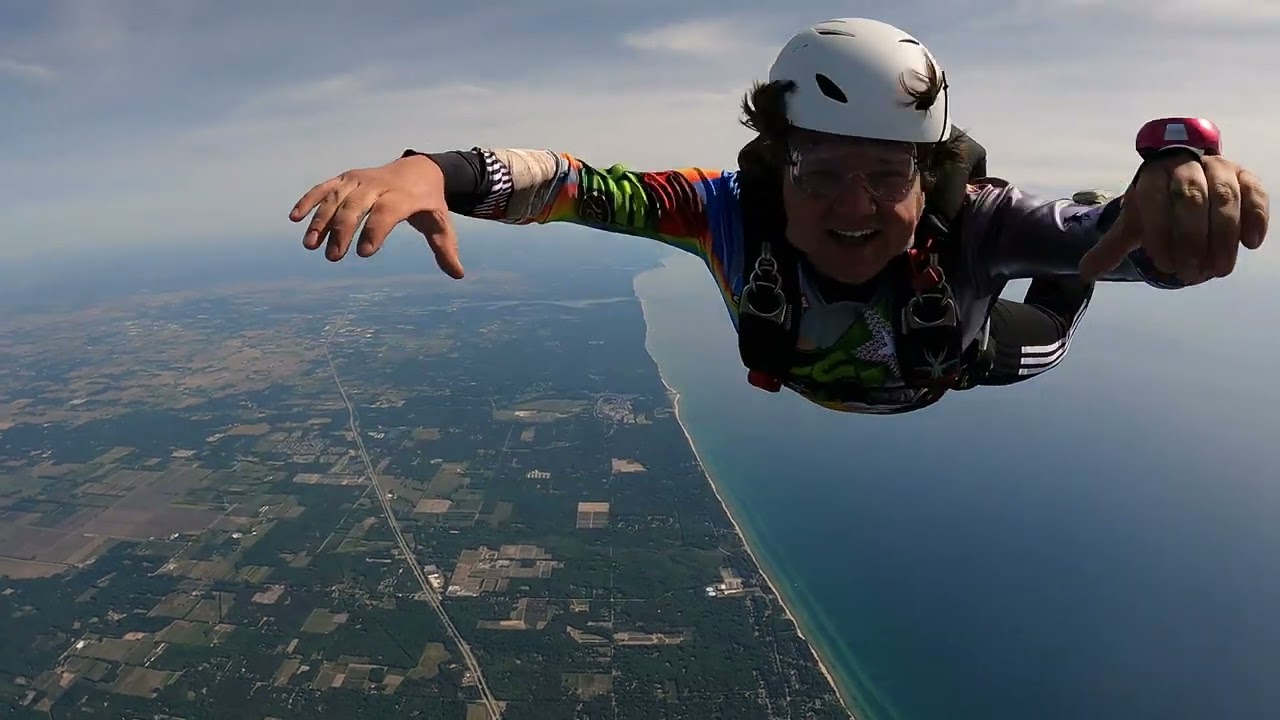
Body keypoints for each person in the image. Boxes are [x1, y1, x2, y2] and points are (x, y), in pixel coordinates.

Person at [288, 17, 1269, 415]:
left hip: (962, 355)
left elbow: (1152, 255)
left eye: (887, 174)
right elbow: (573, 182)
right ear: (771, 163)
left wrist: (1171, 200)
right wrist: (435, 168)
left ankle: (1121, 189)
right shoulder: (724, 211)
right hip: (914, 355)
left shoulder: (975, 220)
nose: (852, 206)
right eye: (816, 170)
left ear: (927, 176)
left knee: (1075, 272)